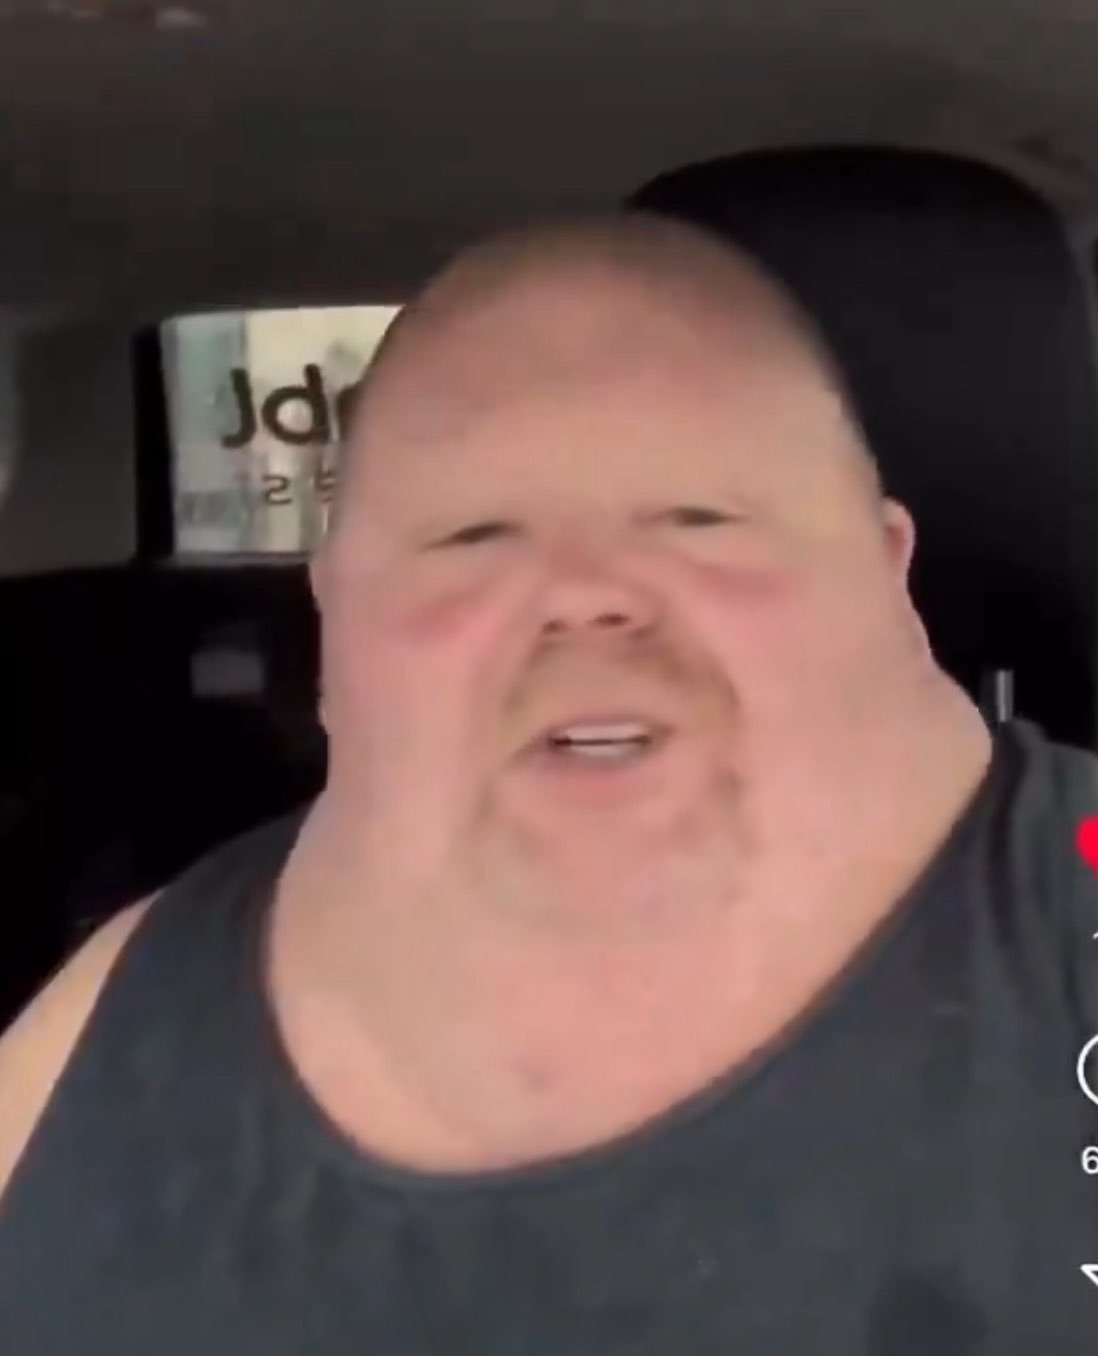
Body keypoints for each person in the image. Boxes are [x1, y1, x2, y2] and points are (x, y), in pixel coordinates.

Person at [1, 213, 1096, 1353]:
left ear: (885, 567)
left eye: (700, 519)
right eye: (472, 537)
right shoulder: (106, 1030)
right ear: (335, 607)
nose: (585, 590)